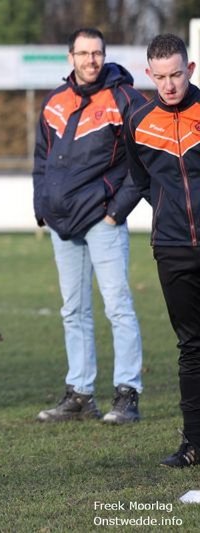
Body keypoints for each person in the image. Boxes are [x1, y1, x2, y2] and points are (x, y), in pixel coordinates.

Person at [32, 28, 146, 424]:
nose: (91, 60)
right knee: (73, 310)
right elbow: (41, 159)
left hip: (102, 220)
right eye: (83, 53)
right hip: (63, 224)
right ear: (71, 57)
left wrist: (116, 211)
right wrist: (41, 206)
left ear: (104, 55)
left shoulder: (124, 98)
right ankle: (80, 394)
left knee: (118, 307)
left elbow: (141, 162)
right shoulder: (54, 102)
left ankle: (127, 393)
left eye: (96, 53)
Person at [125, 34, 200, 466]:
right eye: (160, 77)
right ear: (149, 74)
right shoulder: (138, 121)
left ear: (189, 70)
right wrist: (168, 212)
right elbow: (141, 181)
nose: (169, 85)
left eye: (176, 75)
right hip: (172, 248)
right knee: (191, 346)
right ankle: (194, 443)